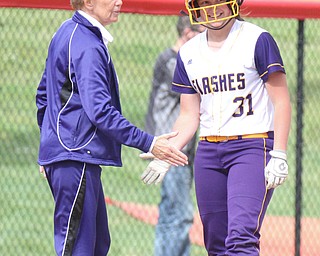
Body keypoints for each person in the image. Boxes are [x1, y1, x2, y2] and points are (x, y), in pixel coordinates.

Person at [35, 0, 188, 255]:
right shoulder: (87, 44)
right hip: (75, 158)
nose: (119, 2)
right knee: (78, 248)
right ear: (89, 2)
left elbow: (43, 95)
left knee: (97, 244)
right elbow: (100, 112)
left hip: (74, 157)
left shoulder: (67, 32)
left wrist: (50, 144)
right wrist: (151, 143)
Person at [141, 0, 292, 255]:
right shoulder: (188, 52)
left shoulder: (257, 39)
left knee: (241, 238)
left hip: (251, 146)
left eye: (219, 0)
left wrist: (279, 152)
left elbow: (281, 101)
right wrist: (169, 150)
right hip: (209, 152)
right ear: (194, 7)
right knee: (217, 244)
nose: (213, 8)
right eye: (206, 2)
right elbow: (189, 116)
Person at [142, 16, 203, 256]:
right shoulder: (172, 62)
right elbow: (200, 89)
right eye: (201, 30)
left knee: (173, 213)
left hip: (181, 151)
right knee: (179, 215)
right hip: (170, 150)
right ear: (188, 32)